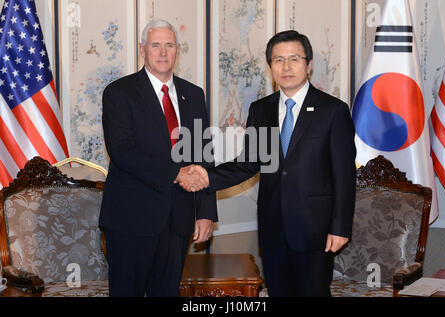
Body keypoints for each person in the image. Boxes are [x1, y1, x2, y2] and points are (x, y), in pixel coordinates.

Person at [178, 30, 356, 296]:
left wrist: (340, 227)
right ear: (270, 66)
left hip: (315, 229)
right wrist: (206, 175)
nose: (286, 67)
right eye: (278, 60)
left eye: (294, 59)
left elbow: (344, 175)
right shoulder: (261, 110)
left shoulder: (333, 110)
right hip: (273, 227)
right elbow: (249, 163)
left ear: (308, 65)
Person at [99, 19, 217, 297]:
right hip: (131, 220)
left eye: (169, 45)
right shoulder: (119, 93)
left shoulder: (194, 94)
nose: (163, 52)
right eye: (155, 45)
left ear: (177, 50)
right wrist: (176, 173)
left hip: (178, 219)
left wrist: (206, 213)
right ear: (142, 49)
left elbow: (204, 156)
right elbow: (122, 151)